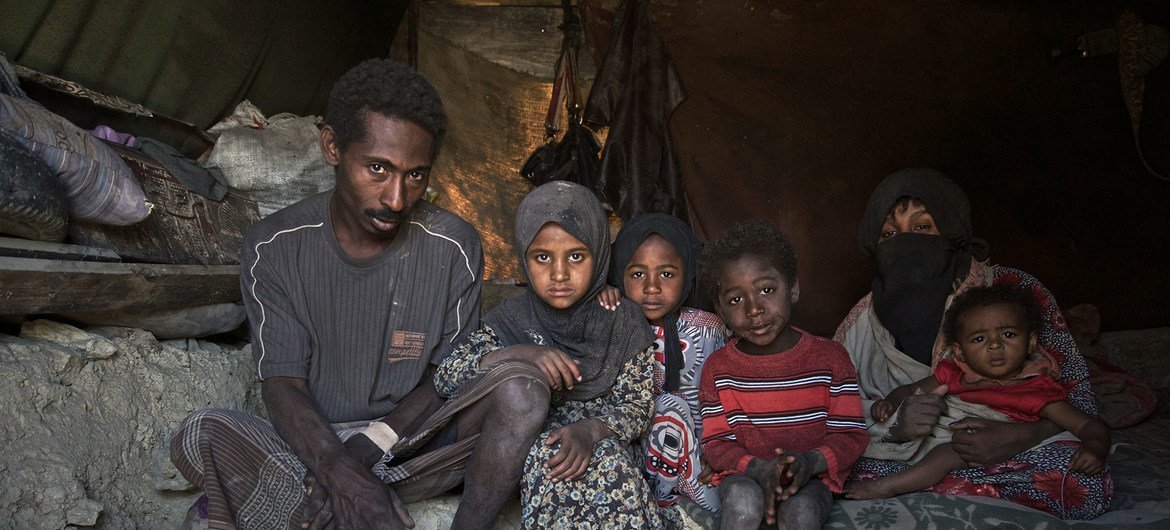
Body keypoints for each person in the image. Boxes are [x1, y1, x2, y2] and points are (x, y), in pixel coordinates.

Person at [169, 59, 550, 529]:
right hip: (317, 446)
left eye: (416, 175)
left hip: (414, 444)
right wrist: (343, 475)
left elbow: (446, 376)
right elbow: (283, 383)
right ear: (332, 146)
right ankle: (320, 493)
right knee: (204, 430)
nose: (396, 198)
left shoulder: (455, 246)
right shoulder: (275, 246)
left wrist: (371, 448)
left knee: (523, 390)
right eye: (377, 168)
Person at [834, 167, 1113, 519]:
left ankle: (926, 484)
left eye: (923, 227)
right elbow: (830, 409)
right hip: (905, 453)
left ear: (952, 231)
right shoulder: (863, 320)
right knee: (829, 469)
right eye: (889, 234)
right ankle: (929, 481)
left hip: (1017, 442)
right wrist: (896, 427)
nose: (906, 244)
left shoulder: (1012, 291)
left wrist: (1021, 435)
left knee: (1082, 484)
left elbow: (1079, 404)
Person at [433, 181, 678, 529]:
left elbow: (637, 407)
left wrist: (591, 432)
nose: (559, 274)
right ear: (523, 257)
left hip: (606, 441)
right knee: (550, 461)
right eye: (542, 257)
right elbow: (447, 376)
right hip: (535, 450)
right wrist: (521, 354)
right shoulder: (512, 320)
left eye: (576, 256)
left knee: (609, 463)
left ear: (598, 254)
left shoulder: (622, 319)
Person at [845, 284, 1111, 499]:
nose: (995, 346)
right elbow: (912, 390)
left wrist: (1095, 449)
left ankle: (887, 487)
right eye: (980, 339)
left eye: (1007, 335)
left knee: (946, 454)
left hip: (977, 448)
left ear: (1030, 342)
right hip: (947, 435)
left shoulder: (1035, 389)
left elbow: (1089, 425)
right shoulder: (956, 372)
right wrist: (889, 403)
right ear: (960, 351)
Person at [697, 220, 868, 530]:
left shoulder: (831, 359)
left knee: (800, 513)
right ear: (720, 311)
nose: (754, 309)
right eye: (735, 300)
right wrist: (757, 469)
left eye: (766, 290)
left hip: (810, 477)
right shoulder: (718, 369)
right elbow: (717, 443)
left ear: (793, 288)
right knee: (744, 505)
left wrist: (810, 462)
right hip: (744, 476)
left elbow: (851, 437)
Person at [608, 213, 727, 515]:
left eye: (667, 274)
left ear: (687, 274)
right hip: (636, 446)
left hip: (702, 448)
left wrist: (719, 452)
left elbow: (725, 398)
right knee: (668, 407)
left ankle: (687, 483)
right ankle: (656, 494)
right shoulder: (613, 321)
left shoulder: (708, 329)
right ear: (619, 273)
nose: (651, 287)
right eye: (637, 274)